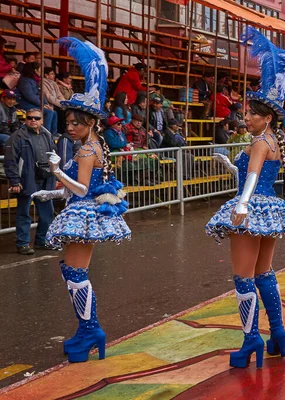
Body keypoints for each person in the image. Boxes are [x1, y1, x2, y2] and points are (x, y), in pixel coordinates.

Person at [205, 27, 285, 370]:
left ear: (267, 118)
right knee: (264, 272)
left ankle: (251, 340)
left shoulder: (261, 142)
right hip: (270, 209)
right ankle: (277, 334)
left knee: (243, 277)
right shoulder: (273, 141)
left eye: (250, 114)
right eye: (245, 113)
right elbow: (252, 172)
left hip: (252, 208)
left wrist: (242, 204)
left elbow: (251, 177)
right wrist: (229, 163)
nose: (244, 118)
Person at [31, 38, 130, 363]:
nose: (70, 127)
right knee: (72, 272)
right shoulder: (90, 147)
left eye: (76, 123)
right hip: (80, 211)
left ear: (91, 124)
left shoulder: (88, 150)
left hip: (84, 214)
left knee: (76, 274)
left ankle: (90, 330)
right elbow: (74, 189)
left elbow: (82, 186)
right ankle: (88, 329)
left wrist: (58, 173)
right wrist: (53, 192)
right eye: (68, 122)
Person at [4, 108, 57, 255]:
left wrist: (56, 175)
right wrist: (15, 181)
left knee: (47, 213)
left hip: (45, 179)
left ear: (42, 120)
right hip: (26, 180)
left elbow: (54, 156)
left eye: (37, 118)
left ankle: (41, 241)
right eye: (30, 117)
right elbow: (10, 161)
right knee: (23, 214)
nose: (33, 120)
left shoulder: (47, 134)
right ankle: (23, 244)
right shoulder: (17, 137)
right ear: (25, 119)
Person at [17, 62, 57, 136]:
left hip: (35, 104)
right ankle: (46, 133)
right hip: (26, 104)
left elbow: (41, 94)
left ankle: (53, 133)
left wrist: (46, 104)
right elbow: (30, 96)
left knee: (53, 111)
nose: (41, 72)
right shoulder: (25, 81)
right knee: (48, 112)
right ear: (35, 70)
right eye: (40, 69)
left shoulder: (34, 80)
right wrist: (42, 104)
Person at [41, 67, 65, 136]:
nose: (54, 75)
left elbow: (59, 94)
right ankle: (47, 133)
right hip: (48, 104)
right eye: (52, 74)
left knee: (62, 111)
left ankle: (55, 132)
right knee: (53, 112)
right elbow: (48, 96)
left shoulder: (54, 83)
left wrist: (64, 103)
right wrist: (60, 104)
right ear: (46, 75)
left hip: (55, 104)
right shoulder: (43, 83)